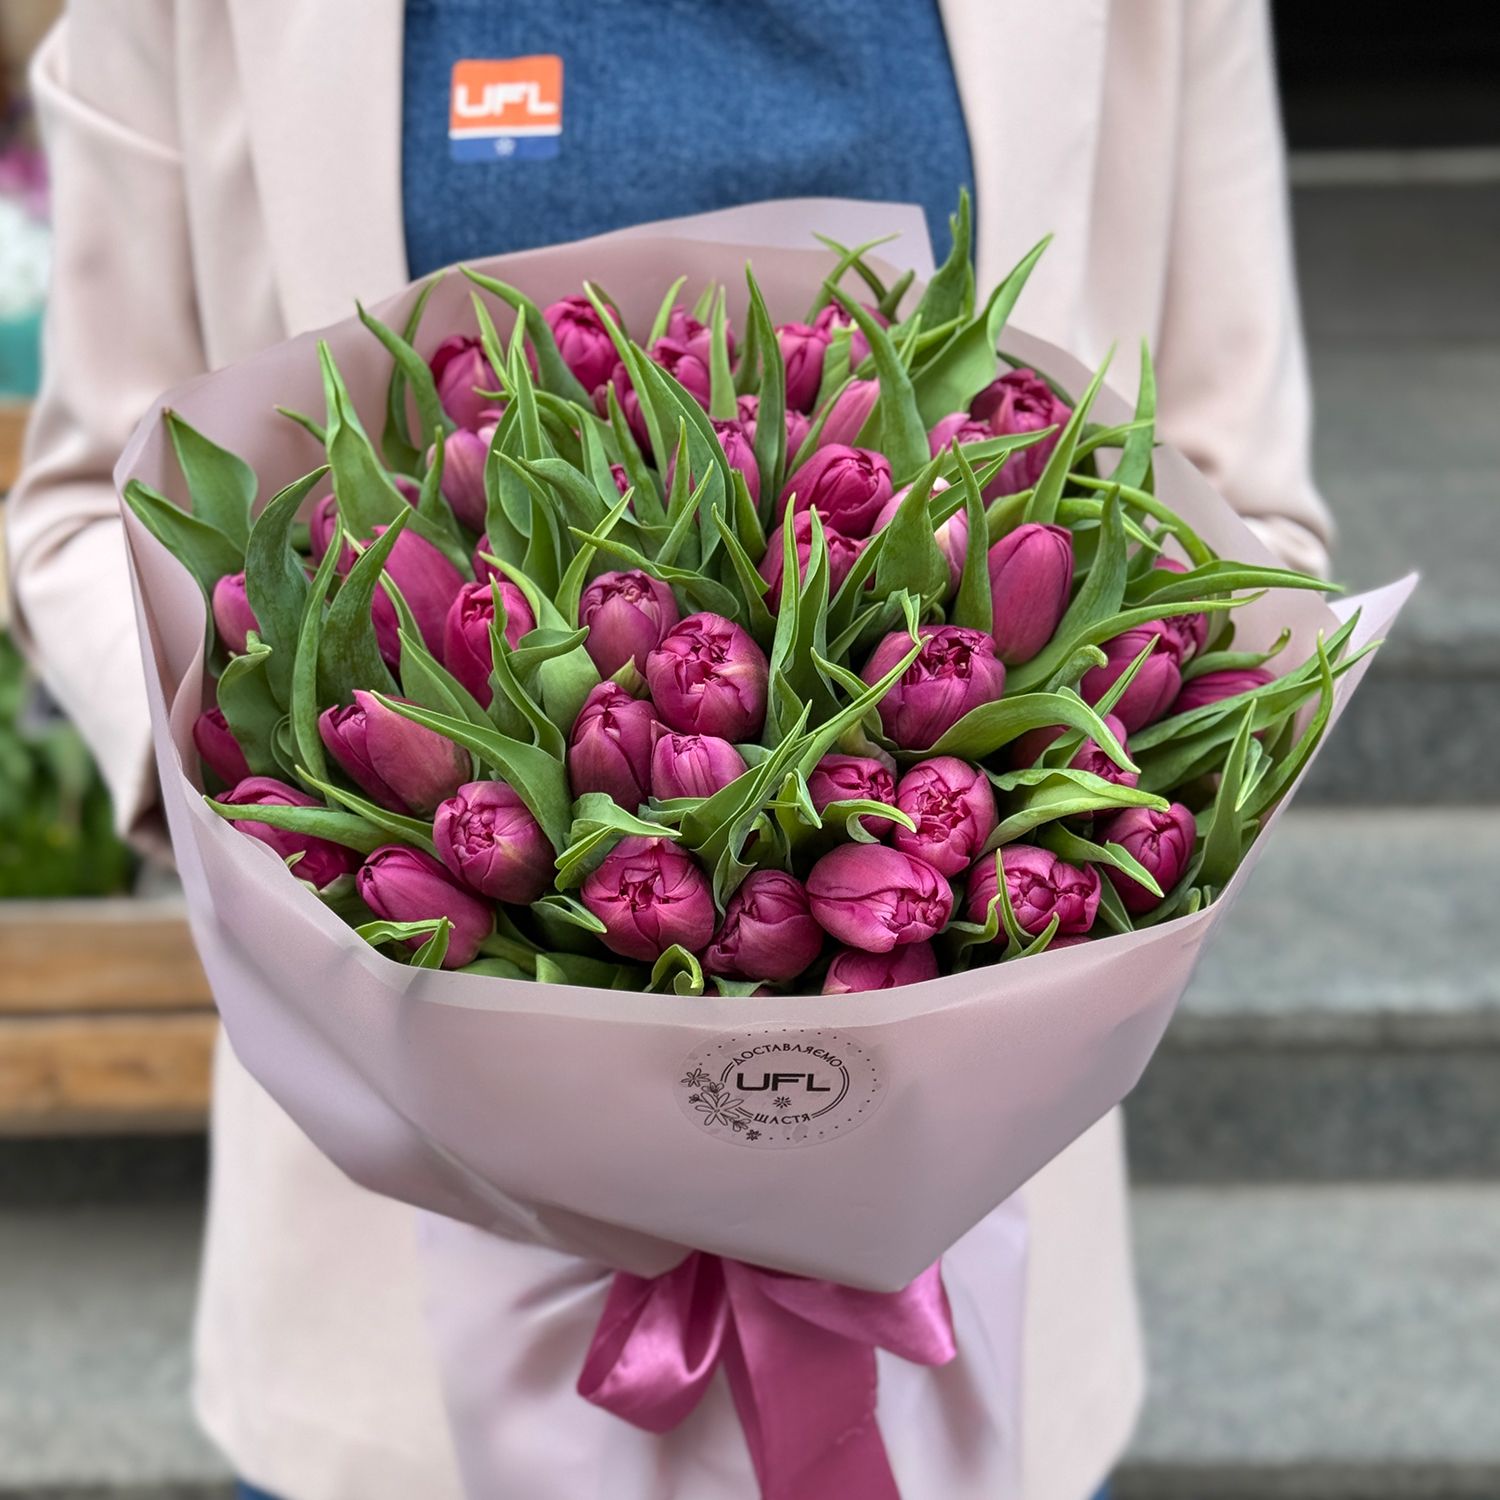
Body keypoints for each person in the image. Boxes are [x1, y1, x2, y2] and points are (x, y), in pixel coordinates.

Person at [6, 4, 1332, 1499]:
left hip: (963, 1282)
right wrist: (279, 832)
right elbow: (84, 507)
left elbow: (1244, 508)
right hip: (388, 1302)